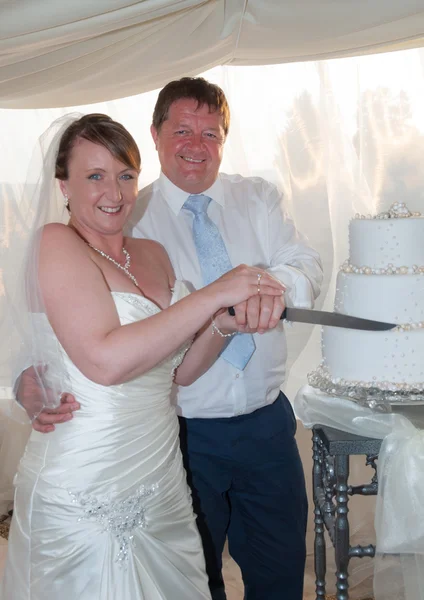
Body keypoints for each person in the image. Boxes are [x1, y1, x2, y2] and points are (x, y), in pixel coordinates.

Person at [18, 78, 323, 600]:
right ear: (156, 134)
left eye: (211, 133)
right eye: (182, 130)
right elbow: (69, 341)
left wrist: (247, 305)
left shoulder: (246, 202)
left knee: (279, 574)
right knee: (197, 577)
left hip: (262, 427)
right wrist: (27, 379)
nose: (196, 145)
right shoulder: (107, 222)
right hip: (181, 438)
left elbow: (302, 266)